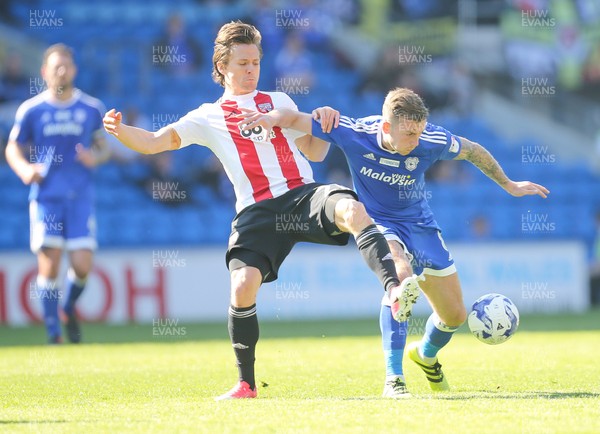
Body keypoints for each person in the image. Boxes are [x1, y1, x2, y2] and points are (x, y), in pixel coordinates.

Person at [103, 21, 404, 400]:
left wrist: (323, 121)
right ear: (222, 67)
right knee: (242, 286)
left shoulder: (281, 102)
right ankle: (246, 383)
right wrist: (120, 130)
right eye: (242, 62)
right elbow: (153, 143)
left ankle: (394, 291)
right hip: (257, 210)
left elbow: (316, 152)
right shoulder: (207, 117)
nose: (250, 70)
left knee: (352, 210)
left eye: (256, 62)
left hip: (301, 194)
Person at [238, 87, 549, 397]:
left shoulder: (430, 140)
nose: (416, 141)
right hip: (379, 224)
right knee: (400, 279)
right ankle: (394, 378)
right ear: (387, 127)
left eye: (419, 133)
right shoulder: (353, 132)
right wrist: (267, 119)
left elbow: (473, 150)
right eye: (410, 134)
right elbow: (294, 118)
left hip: (420, 226)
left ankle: (425, 355)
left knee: (454, 315)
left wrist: (508, 184)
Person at [5, 43, 110, 344]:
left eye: (66, 66)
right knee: (49, 264)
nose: (61, 71)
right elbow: (13, 147)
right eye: (55, 67)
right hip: (47, 197)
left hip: (80, 196)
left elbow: (104, 148)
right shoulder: (32, 109)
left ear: (74, 70)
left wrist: (95, 157)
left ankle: (68, 306)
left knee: (81, 265)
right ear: (44, 72)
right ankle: (53, 332)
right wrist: (26, 170)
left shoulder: (91, 108)